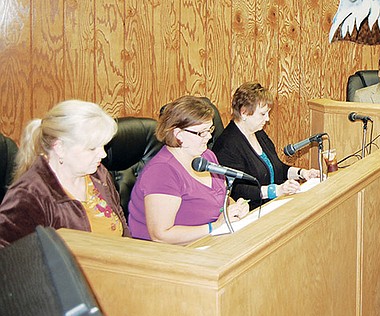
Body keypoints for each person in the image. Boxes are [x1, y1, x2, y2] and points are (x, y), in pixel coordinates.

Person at [0, 100, 128, 248]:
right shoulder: (29, 194)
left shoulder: (99, 175)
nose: (103, 154)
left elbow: (122, 229)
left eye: (103, 146)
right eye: (92, 148)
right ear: (59, 147)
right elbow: (8, 257)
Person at [127, 96, 249, 244]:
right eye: (201, 133)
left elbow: (221, 198)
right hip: (171, 253)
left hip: (211, 241)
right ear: (178, 134)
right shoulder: (162, 172)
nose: (209, 137)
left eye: (210, 129)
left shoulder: (207, 156)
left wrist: (236, 208)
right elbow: (161, 236)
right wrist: (215, 227)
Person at [213, 82, 320, 210]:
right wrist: (275, 190)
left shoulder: (259, 133)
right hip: (252, 211)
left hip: (274, 204)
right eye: (263, 114)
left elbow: (277, 168)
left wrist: (302, 173)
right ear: (244, 113)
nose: (268, 119)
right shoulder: (226, 144)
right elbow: (237, 190)